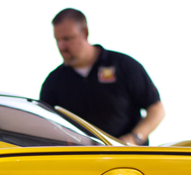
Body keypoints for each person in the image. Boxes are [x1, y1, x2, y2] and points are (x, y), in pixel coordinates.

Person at [40, 8, 165, 146]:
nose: (61, 46)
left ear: (85, 32)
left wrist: (134, 138)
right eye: (57, 40)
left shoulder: (123, 65)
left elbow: (156, 109)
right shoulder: (53, 81)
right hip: (79, 162)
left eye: (67, 39)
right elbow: (45, 126)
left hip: (127, 160)